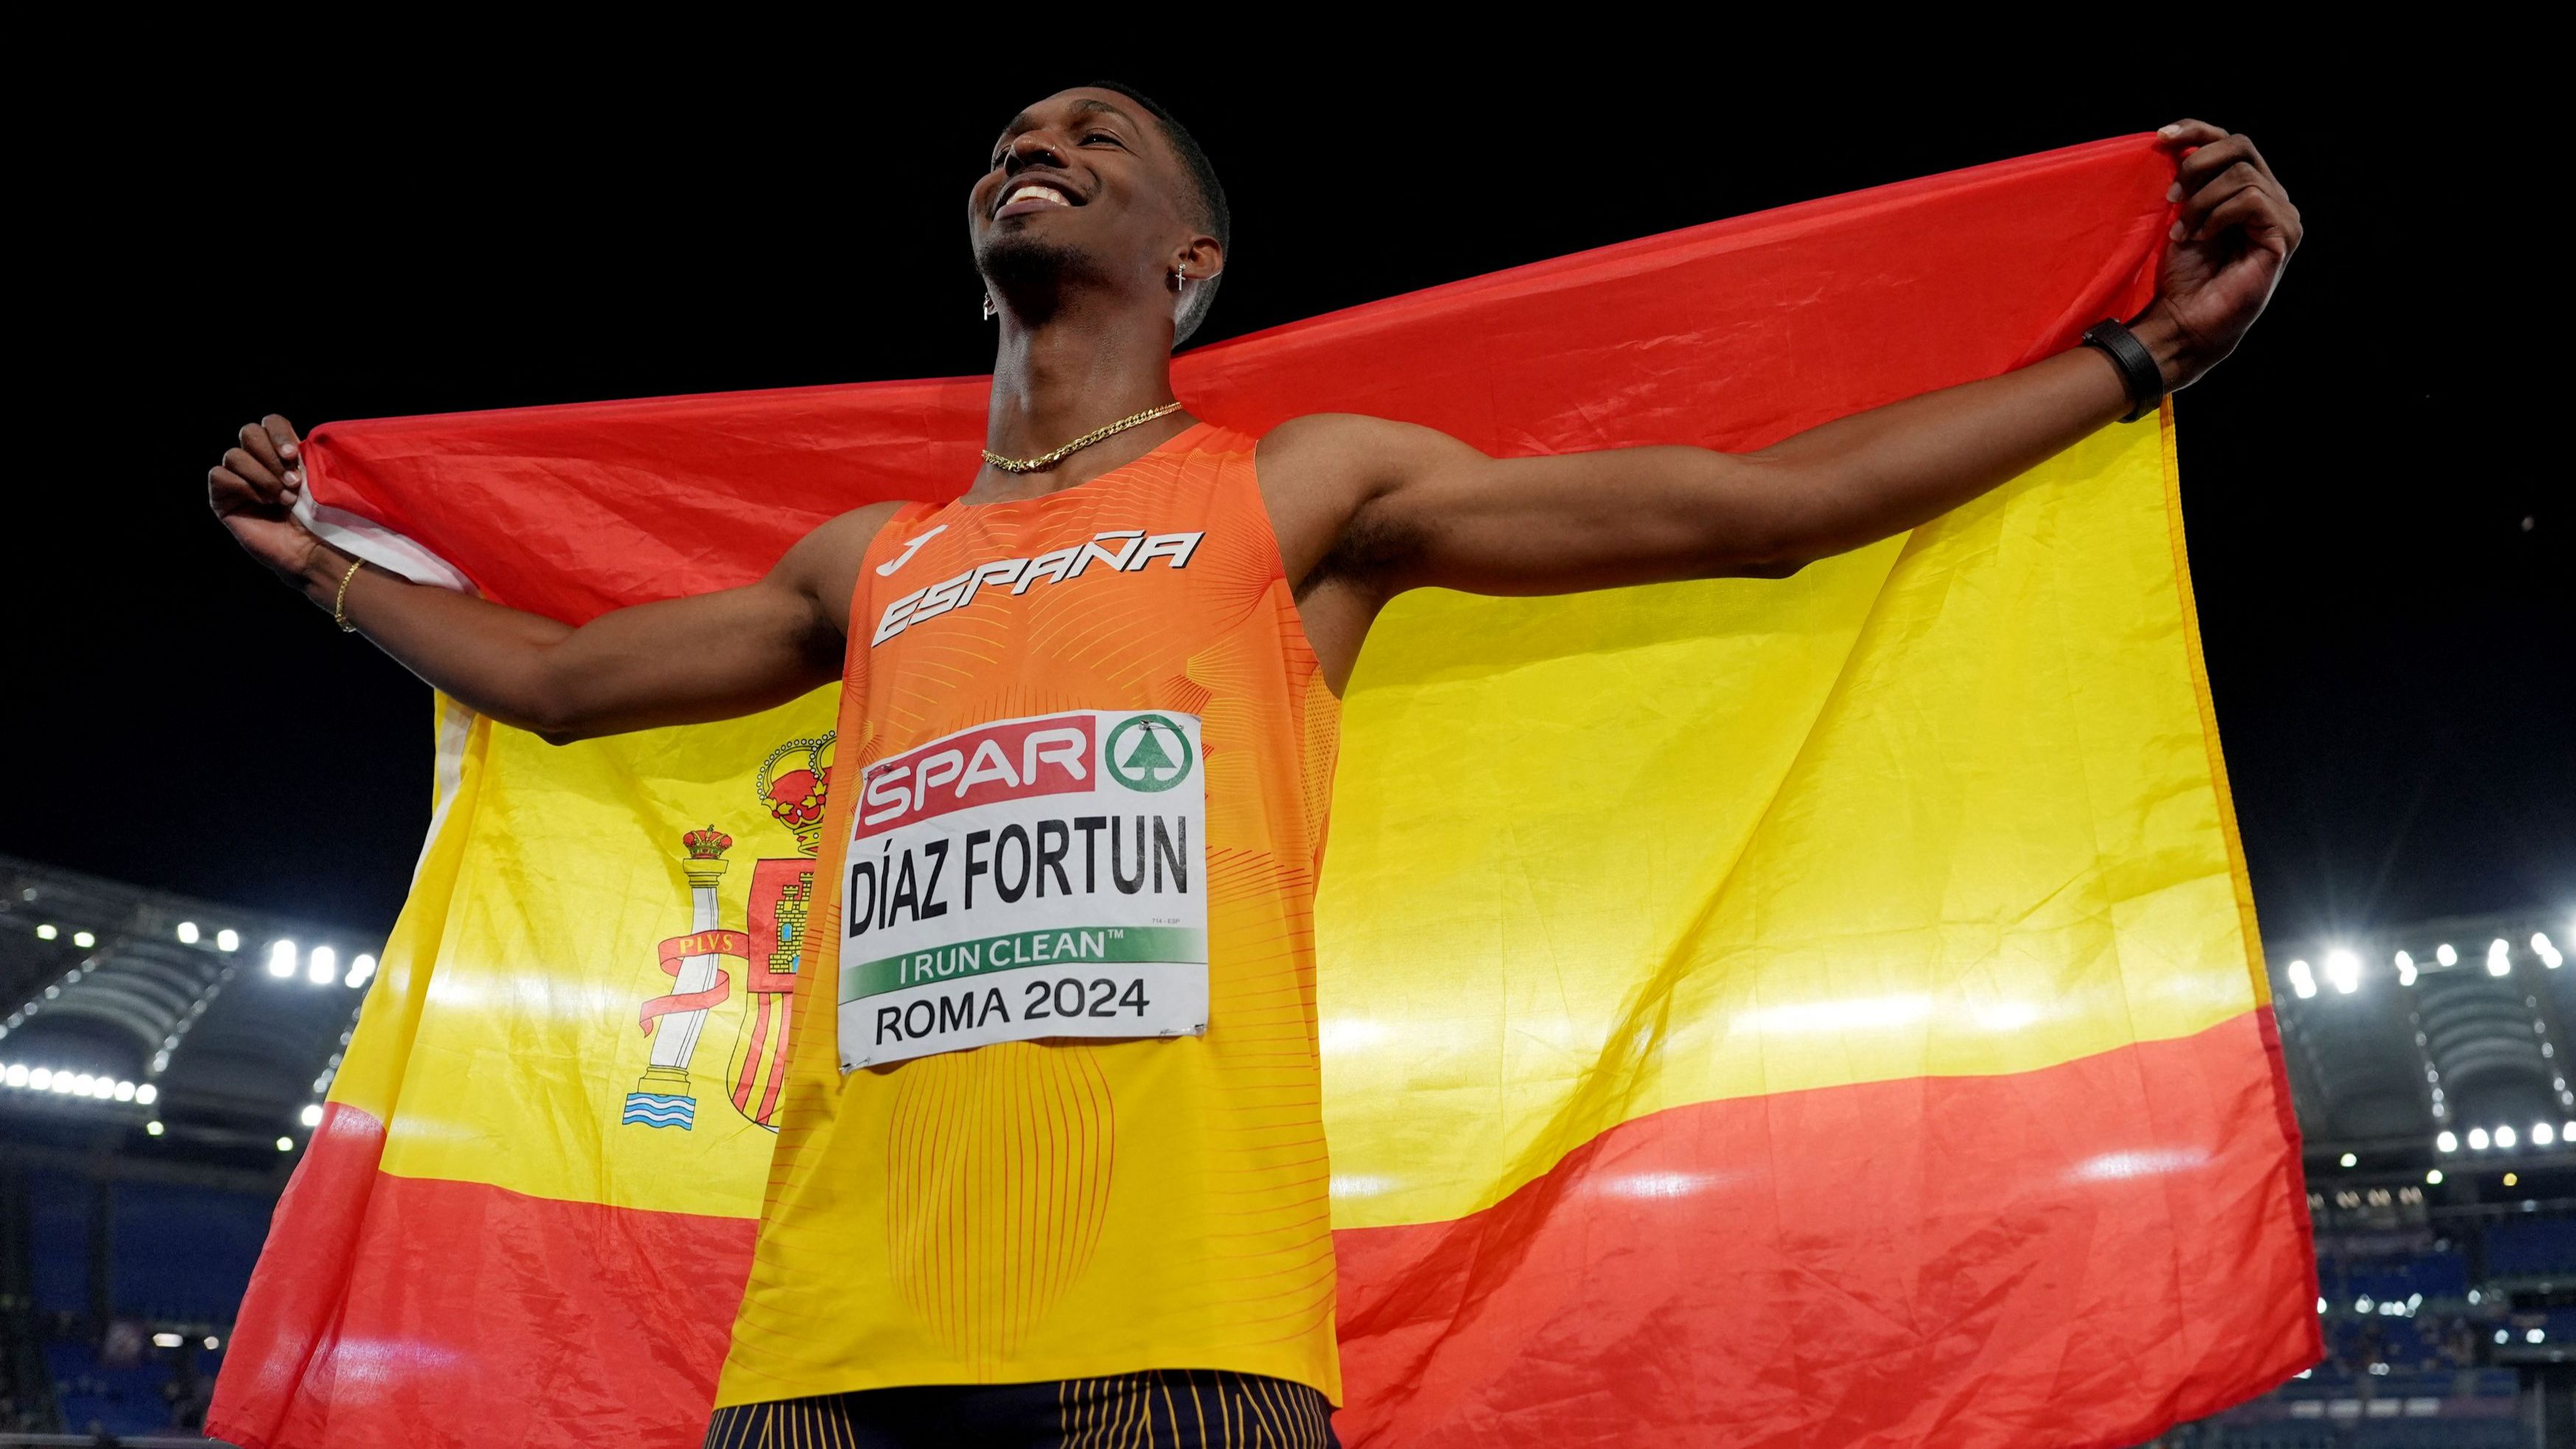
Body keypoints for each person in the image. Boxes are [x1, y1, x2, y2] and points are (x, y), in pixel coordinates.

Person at [207, 83, 2299, 1449]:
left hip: (1182, 1341)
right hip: (833, 1351)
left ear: (1190, 268)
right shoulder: (874, 563)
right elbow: (569, 683)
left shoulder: (1294, 495)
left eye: (1099, 136)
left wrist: (2142, 358)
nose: (1039, 142)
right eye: (1016, 136)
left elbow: (1767, 512)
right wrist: (325, 571)